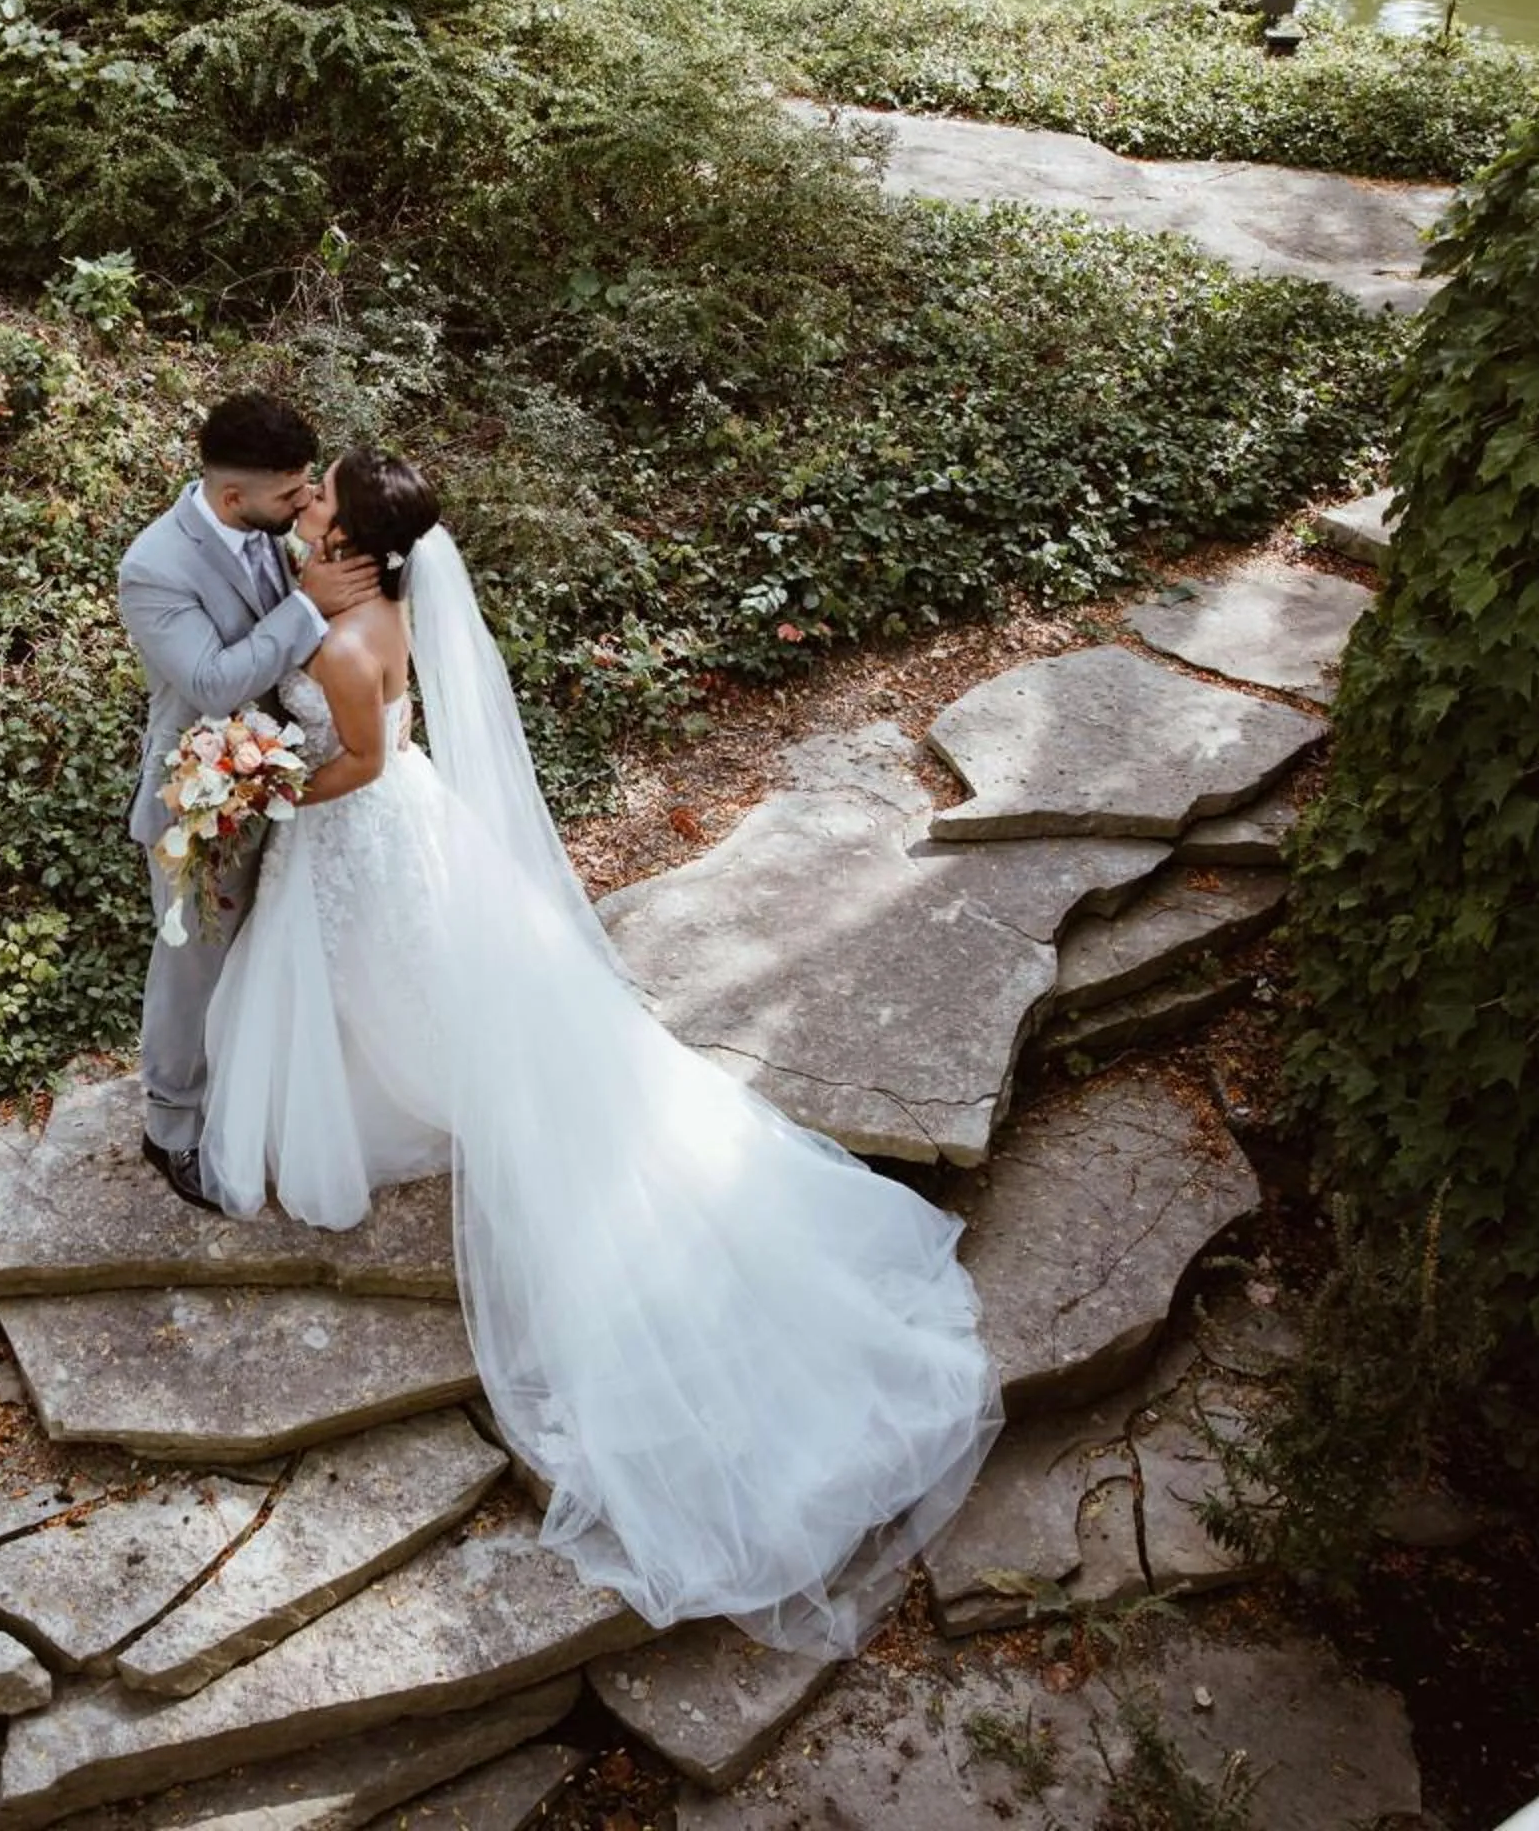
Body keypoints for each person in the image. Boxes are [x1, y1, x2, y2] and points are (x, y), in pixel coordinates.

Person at [199, 447, 1003, 1656]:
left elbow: (356, 761)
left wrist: (259, 793)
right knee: (394, 988)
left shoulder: (349, 639)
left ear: (354, 538)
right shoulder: (365, 604)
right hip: (398, 826)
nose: (305, 496)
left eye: (322, 494)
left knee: (408, 996)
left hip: (361, 824)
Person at [115, 393, 379, 1212]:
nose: (305, 501)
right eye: (291, 492)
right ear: (234, 497)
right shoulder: (155, 567)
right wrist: (307, 606)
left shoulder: (276, 530)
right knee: (193, 966)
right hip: (203, 802)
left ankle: (250, 1099)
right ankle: (171, 1127)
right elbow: (211, 681)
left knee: (266, 959)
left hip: (287, 789)